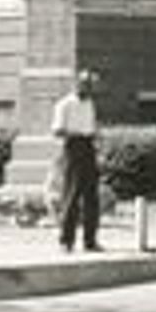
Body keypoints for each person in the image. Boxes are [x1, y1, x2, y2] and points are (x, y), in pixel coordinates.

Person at [50, 69, 102, 252]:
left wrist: (96, 138)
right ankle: (66, 240)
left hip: (89, 147)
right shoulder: (64, 104)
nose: (89, 88)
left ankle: (90, 240)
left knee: (92, 197)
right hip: (73, 146)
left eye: (91, 85)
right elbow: (57, 130)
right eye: (86, 84)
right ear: (77, 84)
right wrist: (76, 133)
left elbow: (92, 126)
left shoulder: (90, 104)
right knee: (72, 195)